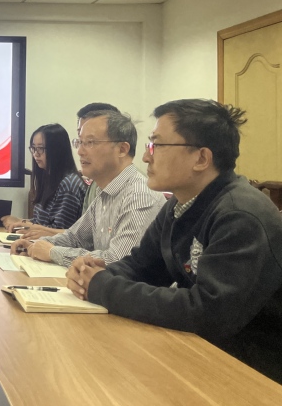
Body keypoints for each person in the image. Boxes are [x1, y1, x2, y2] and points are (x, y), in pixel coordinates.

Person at [67, 99, 282, 384]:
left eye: (157, 145)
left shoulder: (240, 215)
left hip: (252, 371)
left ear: (201, 159)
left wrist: (103, 287)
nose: (146, 157)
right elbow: (142, 266)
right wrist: (94, 272)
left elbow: (208, 312)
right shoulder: (179, 204)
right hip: (202, 351)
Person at [10, 110, 165, 267]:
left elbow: (118, 260)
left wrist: (52, 252)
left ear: (122, 149)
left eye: (90, 143)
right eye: (79, 142)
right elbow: (75, 238)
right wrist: (35, 244)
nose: (80, 151)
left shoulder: (139, 195)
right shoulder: (103, 191)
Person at [0, 124, 85, 236]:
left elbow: (61, 233)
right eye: (33, 148)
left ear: (57, 150)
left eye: (40, 148)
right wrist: (20, 221)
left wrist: (24, 224)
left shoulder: (69, 184)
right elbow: (42, 223)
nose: (35, 153)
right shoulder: (48, 176)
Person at [75, 102, 120, 213]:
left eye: (90, 141)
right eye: (80, 139)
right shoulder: (96, 183)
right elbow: (83, 225)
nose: (80, 151)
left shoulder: (136, 192)